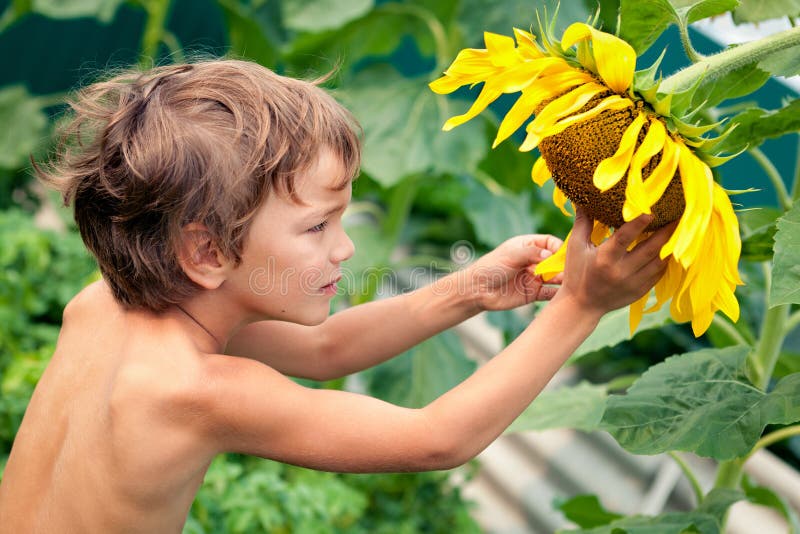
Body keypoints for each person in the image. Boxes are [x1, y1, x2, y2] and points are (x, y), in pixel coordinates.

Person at [0, 59, 672, 533]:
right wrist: (581, 306)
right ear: (206, 253)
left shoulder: (100, 306)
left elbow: (324, 349)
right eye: (317, 225)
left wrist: (470, 288)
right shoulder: (193, 391)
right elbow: (435, 439)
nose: (344, 247)